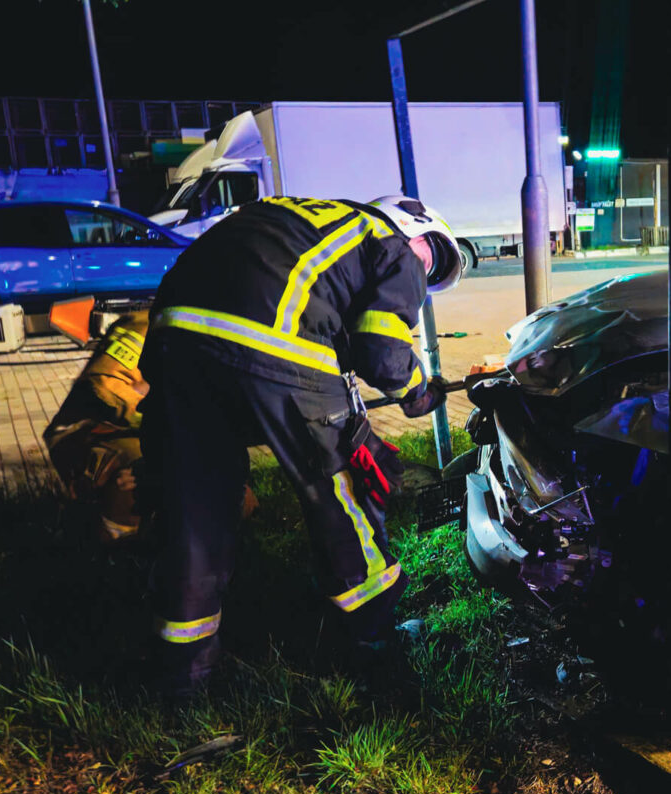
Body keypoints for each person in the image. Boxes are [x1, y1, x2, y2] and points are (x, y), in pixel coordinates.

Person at [138, 195, 461, 692]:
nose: (425, 275)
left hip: (173, 340)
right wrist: (421, 393)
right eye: (433, 260)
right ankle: (374, 642)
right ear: (418, 231)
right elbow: (382, 351)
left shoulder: (303, 218)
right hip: (276, 341)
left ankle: (184, 674)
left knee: (195, 504)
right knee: (342, 490)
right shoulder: (392, 243)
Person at [42, 311, 255, 543]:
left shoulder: (221, 334)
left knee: (239, 500)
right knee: (133, 484)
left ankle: (162, 536)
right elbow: (104, 388)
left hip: (164, 436)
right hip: (92, 430)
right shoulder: (145, 324)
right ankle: (106, 546)